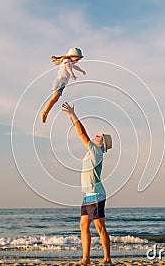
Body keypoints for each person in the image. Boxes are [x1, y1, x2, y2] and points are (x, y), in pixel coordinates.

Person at [61, 102, 113, 265]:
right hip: (88, 195)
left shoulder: (96, 151)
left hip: (96, 194)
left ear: (101, 143)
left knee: (99, 227)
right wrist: (70, 116)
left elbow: (82, 133)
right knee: (83, 225)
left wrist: (74, 115)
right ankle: (86, 258)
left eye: (99, 136)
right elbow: (81, 132)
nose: (96, 136)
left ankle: (107, 259)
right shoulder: (92, 152)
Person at [41, 48, 86, 123]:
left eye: (78, 59)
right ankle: (44, 112)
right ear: (71, 56)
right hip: (60, 81)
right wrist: (72, 74)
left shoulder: (71, 62)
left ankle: (46, 112)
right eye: (76, 58)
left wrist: (81, 71)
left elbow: (74, 66)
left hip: (63, 83)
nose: (77, 60)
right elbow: (68, 67)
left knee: (55, 99)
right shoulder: (67, 61)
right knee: (54, 97)